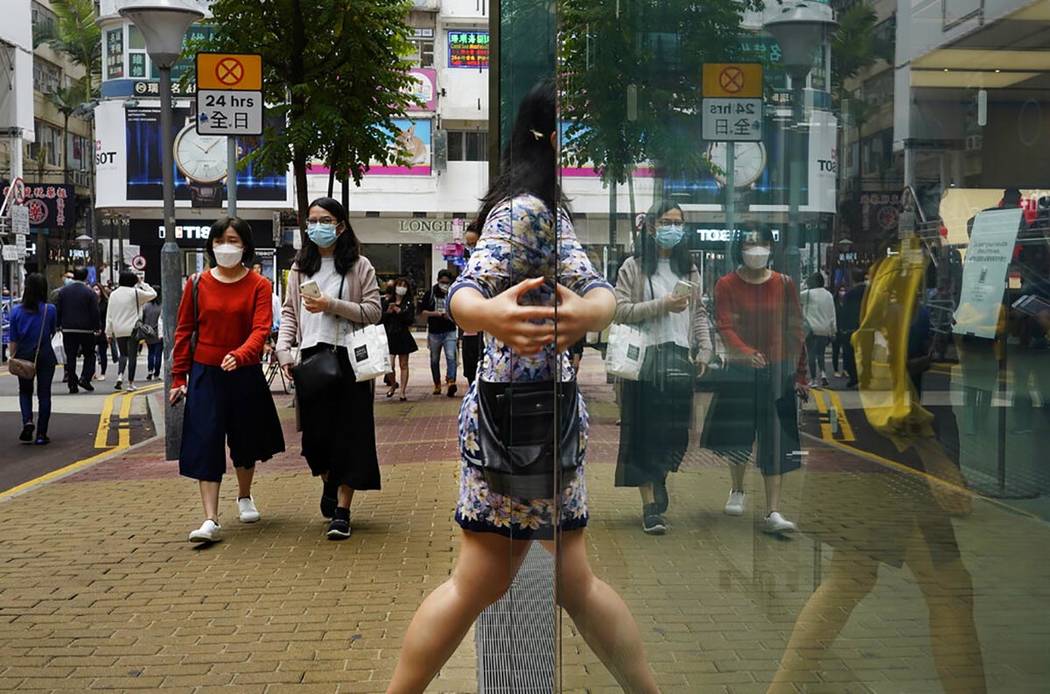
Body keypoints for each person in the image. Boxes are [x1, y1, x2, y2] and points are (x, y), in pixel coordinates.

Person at [388, 81, 659, 694]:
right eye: (575, 125)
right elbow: (467, 290)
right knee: (515, 581)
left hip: (519, 423)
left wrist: (588, 313)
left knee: (514, 581)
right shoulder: (527, 209)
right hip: (529, 423)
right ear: (549, 134)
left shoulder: (528, 205)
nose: (584, 140)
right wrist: (491, 316)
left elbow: (589, 290)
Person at [170, 216, 285, 544]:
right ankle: (210, 518)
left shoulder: (260, 285)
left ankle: (244, 495)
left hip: (243, 371)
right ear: (211, 245)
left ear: (246, 246)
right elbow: (184, 332)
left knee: (244, 439)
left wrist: (242, 354)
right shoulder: (196, 284)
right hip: (205, 373)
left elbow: (261, 328)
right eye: (220, 241)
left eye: (233, 241)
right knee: (205, 440)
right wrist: (179, 377)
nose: (226, 247)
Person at [276, 198, 382, 541]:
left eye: (325, 220)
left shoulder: (359, 265)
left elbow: (373, 311)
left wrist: (330, 305)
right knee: (316, 440)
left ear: (340, 226)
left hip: (350, 359)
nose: (317, 226)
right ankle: (328, 481)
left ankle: (342, 511)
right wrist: (283, 350)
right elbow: (291, 311)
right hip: (311, 359)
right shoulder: (299, 266)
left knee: (350, 436)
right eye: (312, 220)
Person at [613, 200, 713, 535]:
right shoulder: (634, 266)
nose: (673, 228)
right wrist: (663, 305)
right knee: (646, 435)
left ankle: (659, 478)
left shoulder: (689, 268)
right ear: (652, 226)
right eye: (666, 221)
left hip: (679, 359)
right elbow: (620, 310)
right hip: (646, 362)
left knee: (675, 437)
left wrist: (705, 348)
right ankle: (650, 506)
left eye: (678, 222)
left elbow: (698, 313)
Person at [703, 227, 807, 535]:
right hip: (740, 370)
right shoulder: (726, 284)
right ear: (740, 248)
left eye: (762, 243)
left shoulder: (784, 283)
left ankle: (773, 510)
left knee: (776, 439)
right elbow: (724, 324)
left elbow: (796, 327)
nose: (756, 249)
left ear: (771, 247)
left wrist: (801, 374)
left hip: (777, 371)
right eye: (749, 243)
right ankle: (737, 488)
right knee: (739, 433)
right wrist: (745, 352)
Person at [9, 273, 58, 446]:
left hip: (23, 355)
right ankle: (41, 434)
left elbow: (13, 339)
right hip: (44, 354)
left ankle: (27, 421)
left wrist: (11, 356)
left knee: (25, 391)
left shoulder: (16, 312)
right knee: (44, 394)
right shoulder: (49, 310)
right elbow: (52, 331)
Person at [105, 271, 157, 393]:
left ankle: (119, 376)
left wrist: (108, 332)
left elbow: (109, 314)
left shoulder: (113, 294)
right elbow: (153, 294)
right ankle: (130, 383)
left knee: (123, 354)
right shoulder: (135, 293)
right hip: (132, 328)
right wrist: (142, 283)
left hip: (118, 329)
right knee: (132, 356)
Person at [54, 266, 99, 393]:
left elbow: (59, 309)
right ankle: (85, 378)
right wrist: (97, 327)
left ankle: (72, 383)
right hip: (86, 329)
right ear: (85, 277)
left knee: (71, 356)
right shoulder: (89, 292)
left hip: (68, 329)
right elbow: (94, 312)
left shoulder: (63, 291)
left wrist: (58, 325)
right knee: (90, 354)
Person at [420, 268, 459, 397]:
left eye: (447, 282)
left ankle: (451, 381)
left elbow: (459, 311)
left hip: (450, 330)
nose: (445, 284)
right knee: (434, 359)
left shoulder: (453, 293)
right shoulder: (430, 293)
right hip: (434, 332)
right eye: (442, 282)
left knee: (451, 356)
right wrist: (436, 314)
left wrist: (451, 316)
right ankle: (437, 383)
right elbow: (422, 313)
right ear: (437, 281)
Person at [381, 276, 418, 401]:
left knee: (404, 364)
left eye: (404, 286)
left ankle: (402, 391)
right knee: (389, 365)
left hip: (403, 336)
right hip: (389, 336)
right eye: (399, 285)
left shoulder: (408, 303)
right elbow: (380, 318)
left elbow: (410, 320)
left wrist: (400, 311)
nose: (401, 288)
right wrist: (388, 312)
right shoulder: (387, 301)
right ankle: (392, 384)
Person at [799, 271, 836, 387]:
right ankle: (824, 374)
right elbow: (832, 314)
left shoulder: (807, 294)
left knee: (811, 355)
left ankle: (814, 380)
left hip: (811, 329)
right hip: (824, 329)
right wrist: (833, 330)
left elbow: (796, 297)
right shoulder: (829, 295)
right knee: (821, 354)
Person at [459, 222, 482, 387]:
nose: (471, 248)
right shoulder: (469, 266)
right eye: (469, 244)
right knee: (470, 369)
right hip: (469, 332)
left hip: (487, 332)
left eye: (474, 244)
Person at [141, 289, 162, 380]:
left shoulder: (145, 306)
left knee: (151, 353)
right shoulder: (161, 306)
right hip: (159, 333)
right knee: (158, 354)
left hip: (148, 332)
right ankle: (156, 374)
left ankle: (150, 371)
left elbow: (142, 319)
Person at [92, 284, 111, 381]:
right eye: (94, 289)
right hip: (92, 330)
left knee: (103, 352)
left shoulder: (106, 303)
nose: (95, 291)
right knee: (91, 353)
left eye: (97, 289)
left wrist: (108, 332)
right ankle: (93, 372)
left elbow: (108, 318)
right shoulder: (90, 302)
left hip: (103, 329)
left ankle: (103, 372)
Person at [831, 284, 849, 377]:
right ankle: (836, 369)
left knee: (846, 351)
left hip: (845, 330)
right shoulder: (834, 302)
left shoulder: (847, 302)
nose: (842, 292)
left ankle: (845, 369)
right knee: (836, 351)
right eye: (841, 290)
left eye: (844, 290)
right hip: (836, 329)